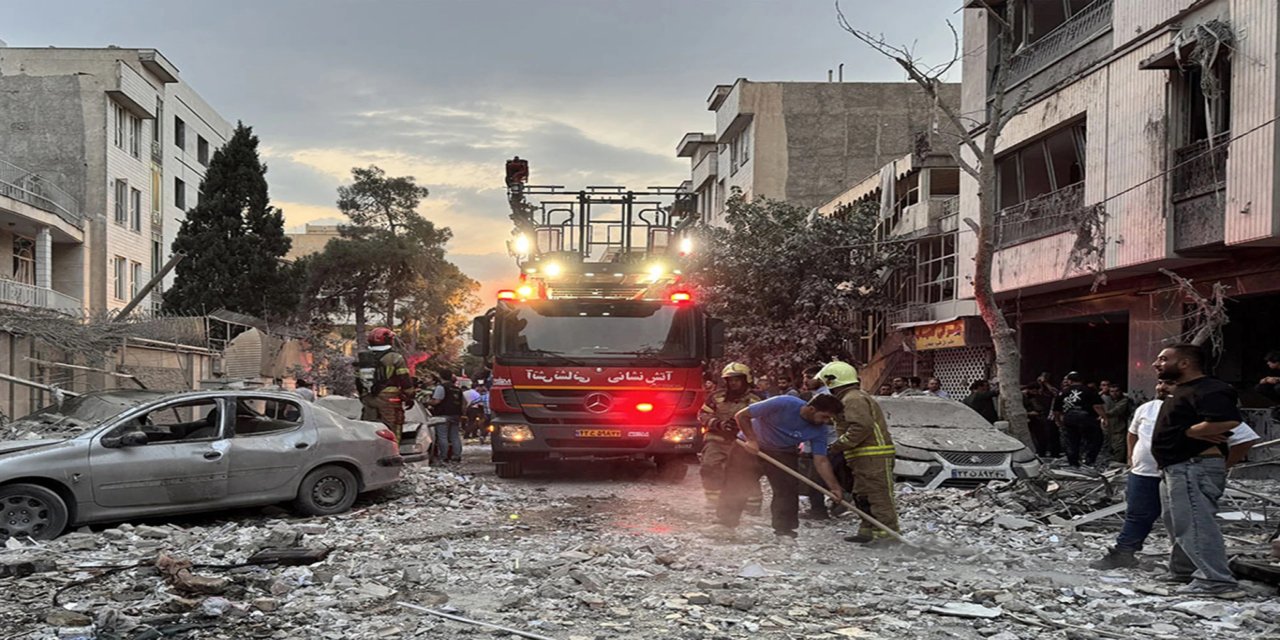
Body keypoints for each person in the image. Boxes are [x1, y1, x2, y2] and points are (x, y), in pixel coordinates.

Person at [1091, 379, 1261, 571]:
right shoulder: (1147, 408)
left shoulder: (1203, 410)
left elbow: (1245, 439)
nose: (1161, 387)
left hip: (1181, 473)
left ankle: (1196, 569)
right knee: (1138, 514)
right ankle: (1124, 553)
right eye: (1159, 382)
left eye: (1169, 383)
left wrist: (1223, 466)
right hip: (1144, 473)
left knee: (1184, 521)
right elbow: (1133, 432)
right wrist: (1131, 458)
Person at [1149, 343, 1244, 598]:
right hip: (1176, 467)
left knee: (1195, 522)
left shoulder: (1209, 388)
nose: (1156, 363)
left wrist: (1191, 432)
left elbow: (1229, 420)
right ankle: (1183, 570)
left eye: (1163, 359)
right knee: (1178, 522)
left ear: (1184, 363)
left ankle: (1215, 580)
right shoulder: (1183, 390)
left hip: (1193, 466)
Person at [714, 394, 845, 541]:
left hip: (783, 452)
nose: (825, 421)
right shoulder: (783, 403)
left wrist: (834, 487)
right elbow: (741, 416)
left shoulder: (820, 430)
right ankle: (725, 523)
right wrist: (751, 439)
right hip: (750, 446)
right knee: (737, 483)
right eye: (824, 417)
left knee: (787, 490)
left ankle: (785, 530)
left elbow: (821, 460)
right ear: (812, 409)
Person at [817, 361, 901, 544]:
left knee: (877, 496)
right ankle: (867, 530)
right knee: (862, 495)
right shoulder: (848, 399)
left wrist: (838, 445)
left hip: (873, 456)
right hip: (862, 456)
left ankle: (886, 535)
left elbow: (861, 427)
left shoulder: (853, 399)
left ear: (832, 382)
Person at [698, 363, 764, 512]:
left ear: (746, 380)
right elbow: (703, 414)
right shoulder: (716, 397)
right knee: (710, 466)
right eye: (730, 380)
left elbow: (764, 420)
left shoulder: (757, 400)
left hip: (744, 442)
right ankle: (714, 501)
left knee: (747, 471)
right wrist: (719, 424)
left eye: (737, 380)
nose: (733, 383)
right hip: (717, 439)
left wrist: (745, 427)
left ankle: (752, 504)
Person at [353, 328, 414, 442]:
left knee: (369, 428)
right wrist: (410, 395)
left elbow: (358, 381)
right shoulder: (395, 357)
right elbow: (404, 378)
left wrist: (364, 395)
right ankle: (393, 450)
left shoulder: (363, 358)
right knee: (393, 427)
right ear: (389, 340)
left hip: (368, 398)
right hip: (389, 400)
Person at [1051, 372, 1106, 469]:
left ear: (1069, 381)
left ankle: (1073, 463)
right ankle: (1089, 461)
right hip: (1087, 419)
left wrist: (1058, 421)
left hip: (1069, 419)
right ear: (1082, 380)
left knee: (1071, 442)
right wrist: (1104, 417)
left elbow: (1056, 411)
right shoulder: (1089, 390)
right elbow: (1097, 406)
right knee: (1095, 439)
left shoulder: (1063, 392)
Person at [429, 370, 466, 463]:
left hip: (443, 415)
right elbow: (464, 403)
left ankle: (444, 456)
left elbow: (437, 401)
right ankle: (457, 456)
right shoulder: (457, 389)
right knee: (455, 436)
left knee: (442, 436)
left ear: (440, 376)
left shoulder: (441, 387)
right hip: (456, 414)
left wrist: (427, 402)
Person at [1104, 385, 1134, 465]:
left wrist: (1102, 414)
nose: (1114, 393)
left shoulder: (1125, 401)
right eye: (1112, 391)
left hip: (1120, 429)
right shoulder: (1108, 400)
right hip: (1109, 429)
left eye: (1116, 391)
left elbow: (1116, 411)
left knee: (1119, 448)